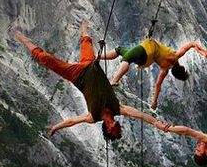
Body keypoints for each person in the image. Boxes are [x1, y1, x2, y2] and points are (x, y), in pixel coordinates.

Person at [14, 21, 159, 140]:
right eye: (119, 131)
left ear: (108, 130)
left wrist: (56, 127)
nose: (119, 130)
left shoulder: (93, 117)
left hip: (77, 76)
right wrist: (157, 124)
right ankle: (83, 27)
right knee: (86, 41)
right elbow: (140, 115)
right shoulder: (119, 109)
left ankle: (23, 39)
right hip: (90, 65)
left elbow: (72, 121)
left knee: (46, 59)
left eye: (117, 132)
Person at [102, 39, 206, 109]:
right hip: (144, 60)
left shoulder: (176, 55)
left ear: (182, 67)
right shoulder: (165, 69)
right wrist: (154, 102)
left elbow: (191, 44)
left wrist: (201, 50)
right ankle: (97, 57)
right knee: (120, 50)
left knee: (127, 59)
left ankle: (114, 80)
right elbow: (157, 86)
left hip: (146, 50)